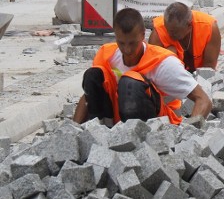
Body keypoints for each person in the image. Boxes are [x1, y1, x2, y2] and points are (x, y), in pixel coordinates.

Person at [73, 7, 213, 125]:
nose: (127, 50)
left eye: (132, 43)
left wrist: (190, 135)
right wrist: (74, 130)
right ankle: (100, 129)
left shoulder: (163, 63)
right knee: (93, 75)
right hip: (116, 119)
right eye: (121, 43)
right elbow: (88, 96)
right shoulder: (106, 54)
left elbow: (203, 99)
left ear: (142, 35)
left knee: (130, 82)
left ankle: (134, 139)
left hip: (156, 124)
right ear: (115, 36)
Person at [149, 2, 221, 73]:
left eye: (175, 32)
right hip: (171, 76)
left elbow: (209, 67)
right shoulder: (158, 32)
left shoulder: (209, 27)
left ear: (189, 26)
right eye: (167, 29)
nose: (170, 34)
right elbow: (153, 69)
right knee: (170, 51)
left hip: (199, 75)